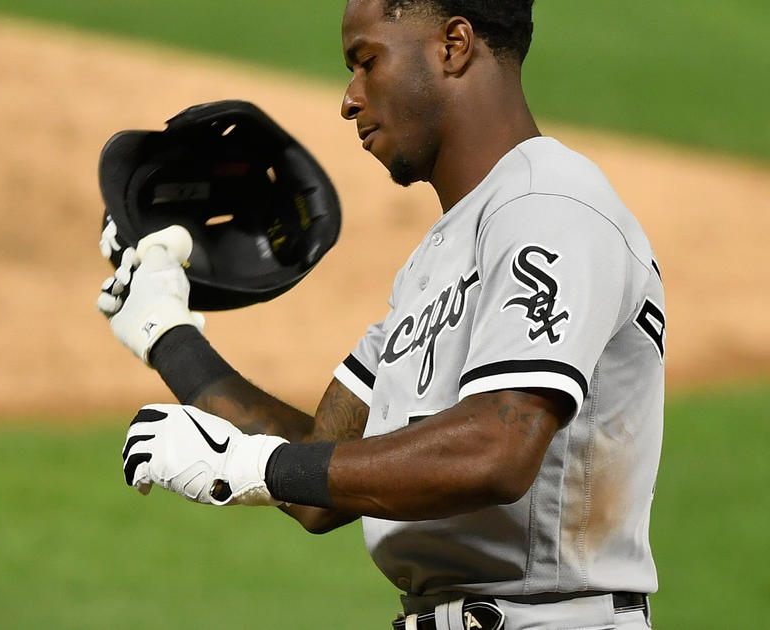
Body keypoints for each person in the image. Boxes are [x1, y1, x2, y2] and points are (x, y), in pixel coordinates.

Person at [97, 1, 665, 628]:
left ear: (454, 45)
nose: (349, 99)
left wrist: (252, 467)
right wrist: (167, 332)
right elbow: (320, 466)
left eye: (366, 62)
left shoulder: (552, 204)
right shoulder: (434, 264)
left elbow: (499, 447)